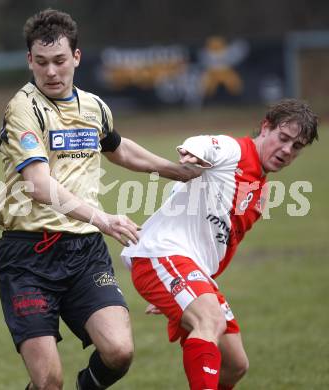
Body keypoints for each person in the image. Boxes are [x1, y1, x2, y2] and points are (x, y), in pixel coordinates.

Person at [0, 8, 202, 390]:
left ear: (76, 57)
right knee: (47, 381)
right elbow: (38, 184)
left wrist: (176, 170)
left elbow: (119, 149)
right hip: (28, 257)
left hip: (84, 253)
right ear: (29, 61)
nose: (51, 72)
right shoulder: (23, 108)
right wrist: (103, 219)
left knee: (119, 352)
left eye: (59, 61)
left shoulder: (93, 106)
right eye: (41, 63)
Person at [121, 99, 318, 390]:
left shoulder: (260, 193)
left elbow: (220, 247)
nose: (287, 150)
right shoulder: (233, 151)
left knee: (235, 365)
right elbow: (204, 145)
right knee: (210, 320)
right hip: (163, 252)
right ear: (266, 128)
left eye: (297, 146)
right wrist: (192, 153)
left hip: (190, 268)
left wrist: (186, 289)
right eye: (283, 138)